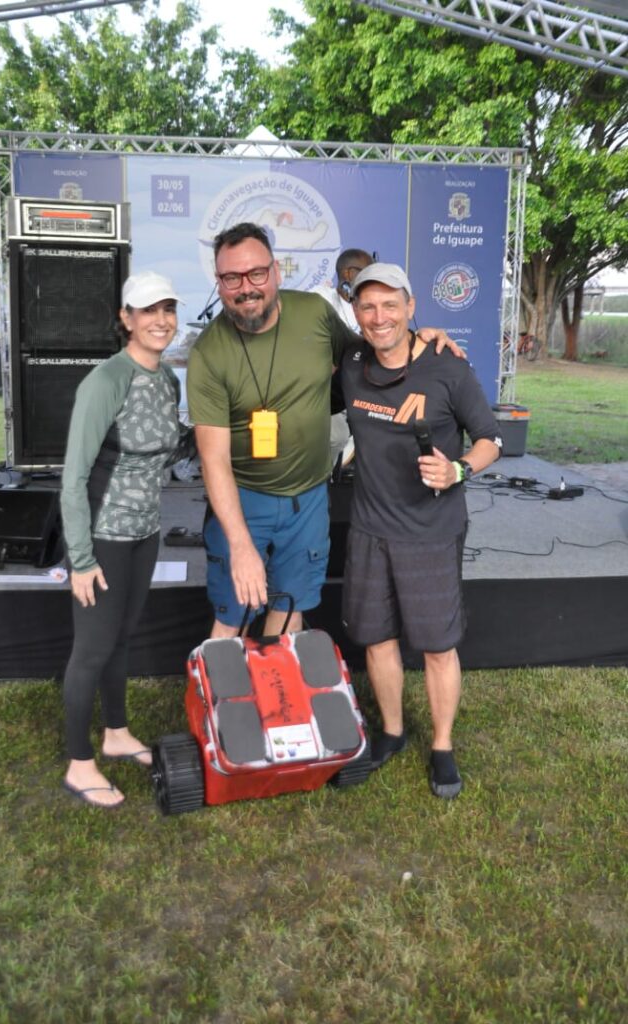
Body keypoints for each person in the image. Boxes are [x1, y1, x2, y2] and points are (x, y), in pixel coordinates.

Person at [186, 222, 464, 639]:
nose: (246, 287)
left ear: (275, 271)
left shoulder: (314, 315)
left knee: (290, 607)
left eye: (256, 273)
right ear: (219, 282)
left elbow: (369, 351)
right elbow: (213, 459)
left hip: (308, 500)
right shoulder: (209, 352)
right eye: (231, 277)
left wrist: (416, 338)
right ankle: (225, 701)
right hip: (244, 500)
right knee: (233, 616)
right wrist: (240, 543)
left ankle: (277, 695)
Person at [338, 263, 502, 799]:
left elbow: (490, 439)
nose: (379, 316)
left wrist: (459, 469)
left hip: (430, 531)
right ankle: (391, 732)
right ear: (356, 313)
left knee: (435, 646)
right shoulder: (352, 360)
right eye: (367, 306)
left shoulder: (446, 366)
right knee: (378, 639)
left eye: (390, 305)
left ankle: (442, 746)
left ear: (412, 308)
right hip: (369, 528)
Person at [60, 270, 182, 808]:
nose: (160, 320)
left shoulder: (167, 379)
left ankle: (115, 733)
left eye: (168, 309)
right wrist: (81, 560)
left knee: (123, 638)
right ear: (126, 319)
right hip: (103, 537)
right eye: (148, 310)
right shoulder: (106, 381)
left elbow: (166, 451)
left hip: (145, 532)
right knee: (91, 650)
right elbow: (73, 478)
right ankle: (78, 763)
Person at [315, 248, 374, 466]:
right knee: (337, 437)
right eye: (367, 271)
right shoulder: (320, 299)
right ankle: (326, 484)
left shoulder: (367, 302)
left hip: (364, 385)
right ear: (349, 274)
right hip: (329, 391)